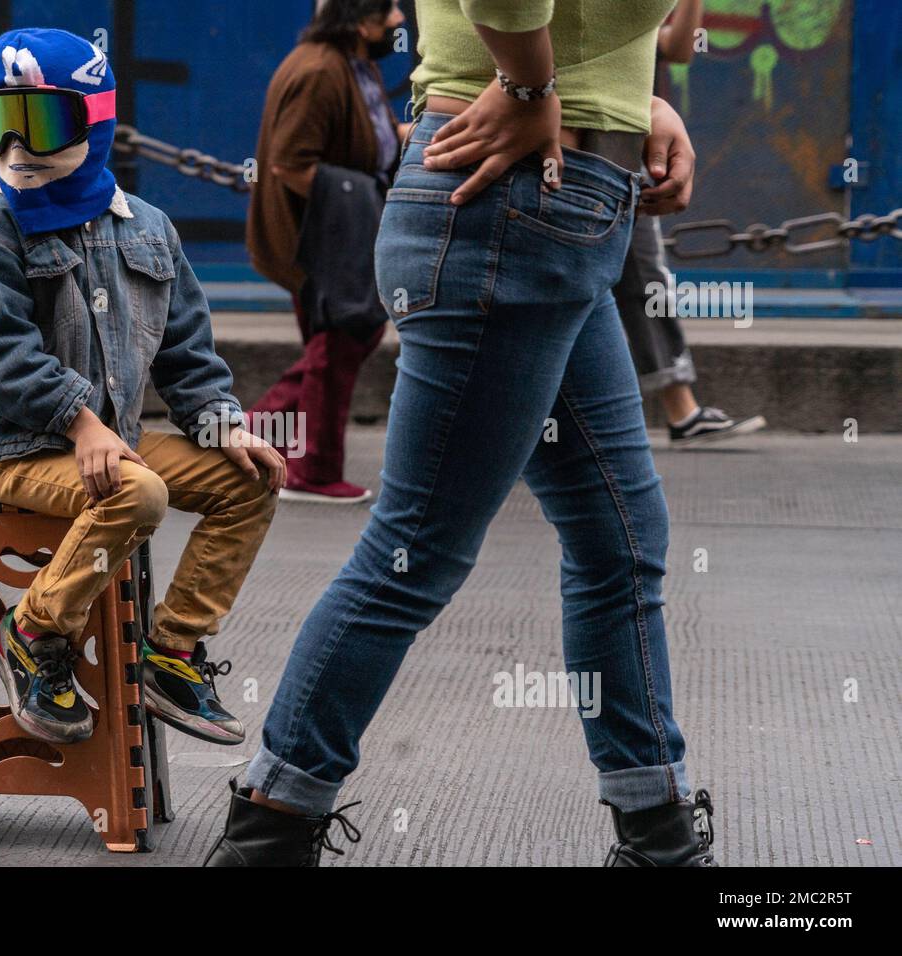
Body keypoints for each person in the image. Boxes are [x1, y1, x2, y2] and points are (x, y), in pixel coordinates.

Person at [206, 0, 717, 866]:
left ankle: (658, 831)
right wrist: (530, 82)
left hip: (556, 207)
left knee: (620, 540)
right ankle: (272, 826)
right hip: (515, 207)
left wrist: (634, 107)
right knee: (417, 551)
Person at [0, 28, 284, 748]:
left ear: (93, 122)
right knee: (139, 493)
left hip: (112, 442)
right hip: (18, 449)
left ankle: (171, 653)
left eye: (40, 125)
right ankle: (33, 635)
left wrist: (224, 424)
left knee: (249, 481)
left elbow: (188, 356)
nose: (17, 151)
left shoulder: (150, 231)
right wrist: (80, 421)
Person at [245, 0, 407, 504]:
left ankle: (248, 431)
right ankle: (312, 470)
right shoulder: (319, 70)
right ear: (361, 21)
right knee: (338, 344)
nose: (400, 19)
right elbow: (291, 165)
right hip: (318, 240)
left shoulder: (355, 63)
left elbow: (372, 138)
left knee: (341, 343)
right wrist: (358, 201)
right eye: (390, 11)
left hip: (338, 235)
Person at [615, 0, 767, 446]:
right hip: (594, 153)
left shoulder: (633, 20)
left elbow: (678, 48)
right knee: (634, 281)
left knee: (642, 280)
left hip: (625, 152)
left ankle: (681, 410)